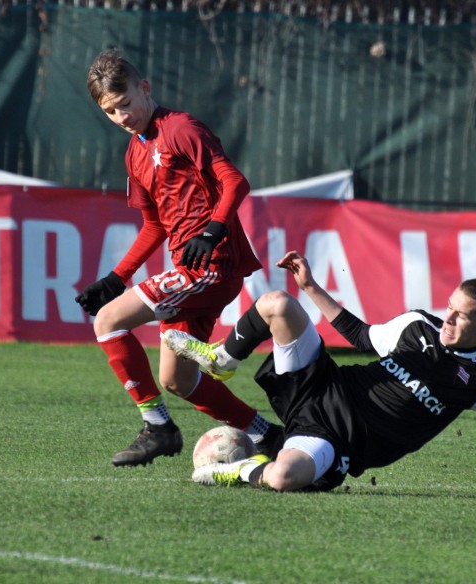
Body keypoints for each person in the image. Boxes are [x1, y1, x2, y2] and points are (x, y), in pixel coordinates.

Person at [164, 251, 476, 502]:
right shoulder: (418, 325)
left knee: (283, 477)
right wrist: (311, 288)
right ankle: (222, 359)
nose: (448, 319)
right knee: (278, 303)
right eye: (450, 307)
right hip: (324, 384)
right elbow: (361, 336)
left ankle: (241, 468)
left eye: (462, 315)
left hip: (338, 437)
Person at [76, 49, 283, 467]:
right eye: (110, 112)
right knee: (177, 379)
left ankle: (159, 429)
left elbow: (234, 181)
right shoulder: (135, 152)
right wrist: (117, 277)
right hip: (190, 266)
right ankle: (269, 435)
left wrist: (213, 229)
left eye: (126, 104)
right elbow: (155, 226)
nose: (121, 116)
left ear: (144, 88)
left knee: (108, 321)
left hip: (212, 262)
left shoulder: (181, 128)